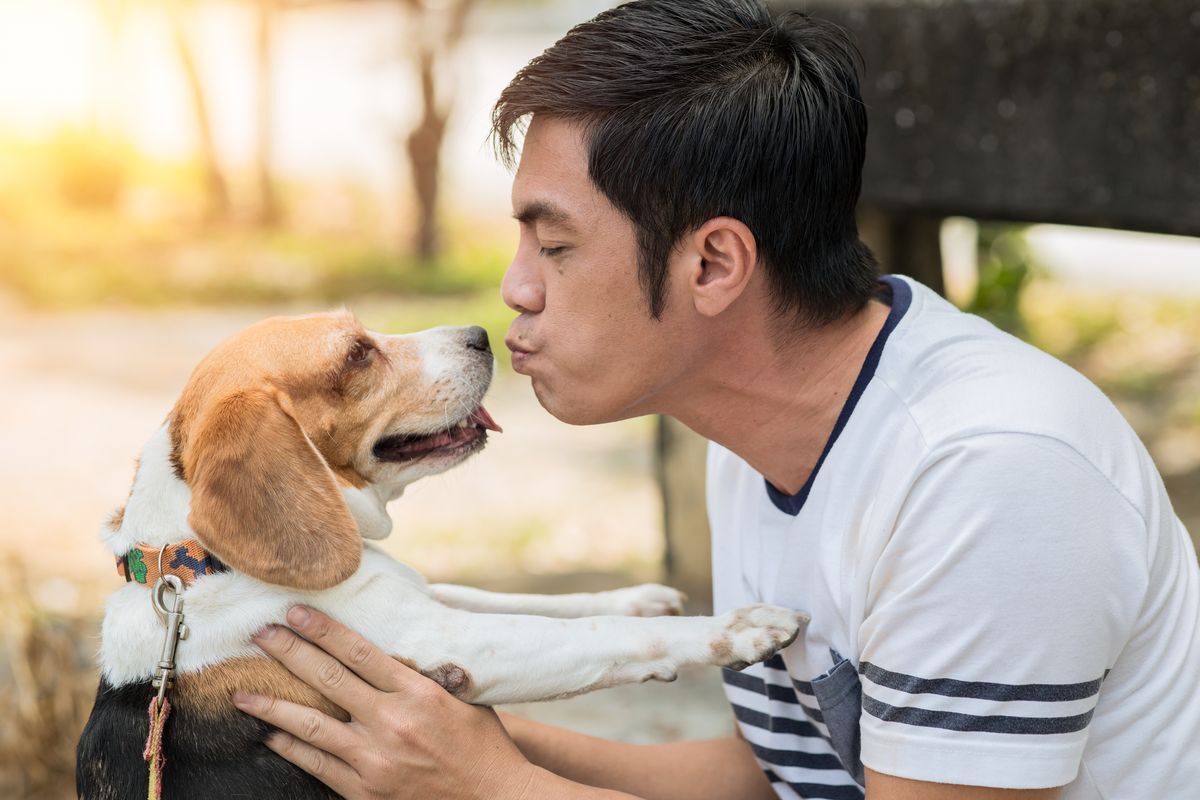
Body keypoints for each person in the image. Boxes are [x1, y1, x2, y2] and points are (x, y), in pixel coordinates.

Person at [231, 1, 1200, 798]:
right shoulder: (761, 428)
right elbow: (785, 771)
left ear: (716, 262)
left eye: (555, 245)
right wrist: (459, 733)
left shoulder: (991, 471)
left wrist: (491, 786)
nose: (516, 289)